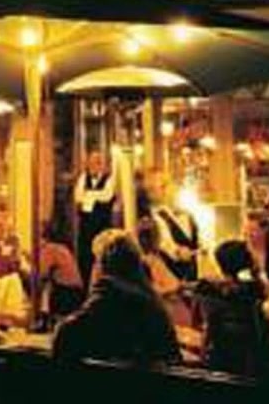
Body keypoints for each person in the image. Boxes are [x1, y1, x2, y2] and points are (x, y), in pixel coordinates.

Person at [53, 229, 180, 366]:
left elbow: (67, 333)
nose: (95, 267)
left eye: (96, 261)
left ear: (105, 263)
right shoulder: (148, 295)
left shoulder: (110, 291)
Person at [196, 240, 269, 376]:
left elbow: (208, 325)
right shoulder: (253, 289)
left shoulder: (208, 288)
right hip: (249, 358)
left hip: (219, 354)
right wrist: (256, 271)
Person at [140, 168, 200, 281]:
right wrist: (177, 252)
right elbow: (162, 243)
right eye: (162, 186)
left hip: (191, 274)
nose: (167, 190)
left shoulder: (182, 213)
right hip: (168, 276)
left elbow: (194, 240)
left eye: (166, 185)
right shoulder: (148, 218)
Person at [74, 151, 117, 285]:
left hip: (102, 224)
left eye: (97, 162)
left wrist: (89, 195)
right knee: (85, 256)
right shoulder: (83, 177)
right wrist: (95, 195)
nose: (94, 165)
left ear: (101, 164)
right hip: (86, 225)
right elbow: (78, 197)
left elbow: (107, 196)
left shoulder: (109, 179)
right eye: (91, 162)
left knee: (102, 256)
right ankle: (85, 284)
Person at [40, 222, 84, 318]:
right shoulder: (62, 248)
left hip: (66, 293)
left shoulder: (49, 249)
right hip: (77, 292)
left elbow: (42, 274)